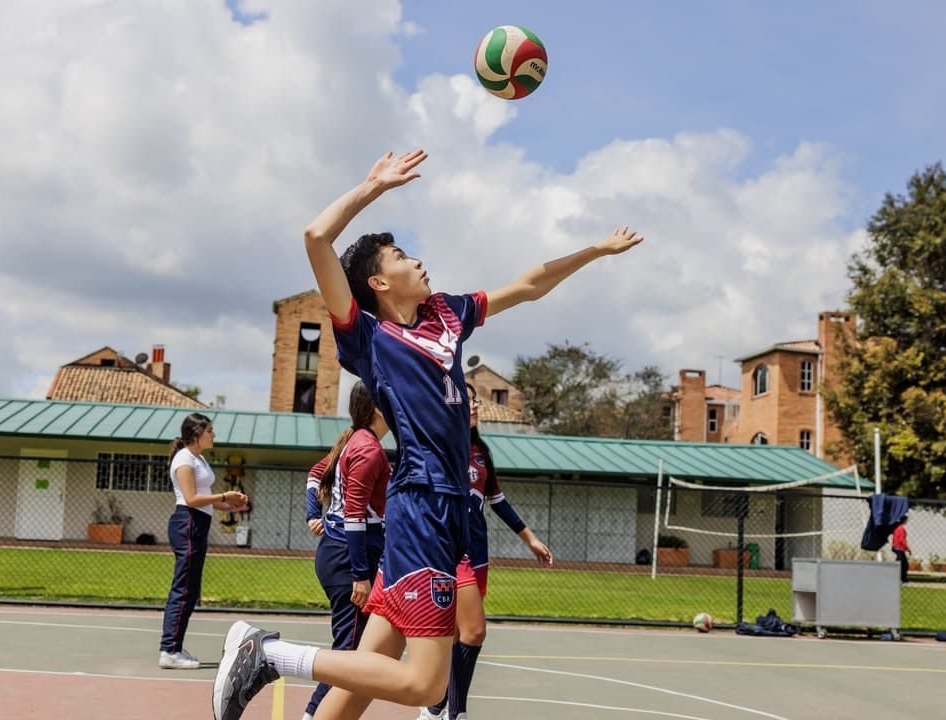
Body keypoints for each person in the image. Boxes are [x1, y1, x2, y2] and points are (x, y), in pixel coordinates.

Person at [212, 149, 642, 720]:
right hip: (423, 507)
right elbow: (316, 237)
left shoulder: (446, 314)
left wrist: (595, 251)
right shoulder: (368, 336)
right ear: (377, 281)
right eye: (401, 256)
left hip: (440, 511)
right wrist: (372, 187)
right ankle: (268, 654)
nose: (417, 261)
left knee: (361, 684)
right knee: (423, 686)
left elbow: (529, 285)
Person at [420, 384, 553, 720]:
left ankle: (434, 708)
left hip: (477, 550)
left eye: (475, 398)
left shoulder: (481, 452)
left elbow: (497, 500)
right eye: (468, 399)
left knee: (456, 633)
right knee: (474, 631)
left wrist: (530, 539)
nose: (475, 404)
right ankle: (455, 712)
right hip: (448, 552)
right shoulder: (438, 447)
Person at [300, 381, 392, 720]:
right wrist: (359, 575)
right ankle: (312, 713)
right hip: (348, 559)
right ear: (379, 408)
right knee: (350, 652)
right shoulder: (368, 449)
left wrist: (314, 512)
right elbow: (354, 516)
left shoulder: (355, 440)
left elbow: (314, 475)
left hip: (340, 553)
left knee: (359, 647)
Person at [159, 413, 248, 669]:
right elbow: (191, 498)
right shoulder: (184, 459)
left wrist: (231, 506)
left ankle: (173, 647)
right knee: (184, 589)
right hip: (187, 522)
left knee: (191, 590)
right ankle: (169, 650)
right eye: (210, 430)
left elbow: (206, 498)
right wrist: (224, 495)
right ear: (197, 434)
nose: (214, 435)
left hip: (197, 523)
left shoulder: (197, 458)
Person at [891, 514, 911, 584]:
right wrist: (908, 549)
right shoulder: (901, 529)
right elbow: (902, 540)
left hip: (897, 547)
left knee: (903, 564)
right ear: (904, 520)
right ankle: (900, 579)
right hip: (899, 548)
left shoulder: (897, 528)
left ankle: (903, 578)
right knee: (903, 565)